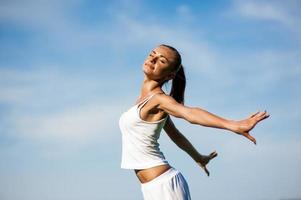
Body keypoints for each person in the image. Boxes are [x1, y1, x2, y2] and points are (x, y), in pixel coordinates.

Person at [119, 44, 269, 200]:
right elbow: (176, 135)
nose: (153, 60)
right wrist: (198, 157)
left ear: (170, 75)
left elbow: (190, 114)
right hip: (151, 187)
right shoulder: (142, 102)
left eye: (161, 60)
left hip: (164, 186)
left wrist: (233, 125)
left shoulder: (159, 100)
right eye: (152, 54)